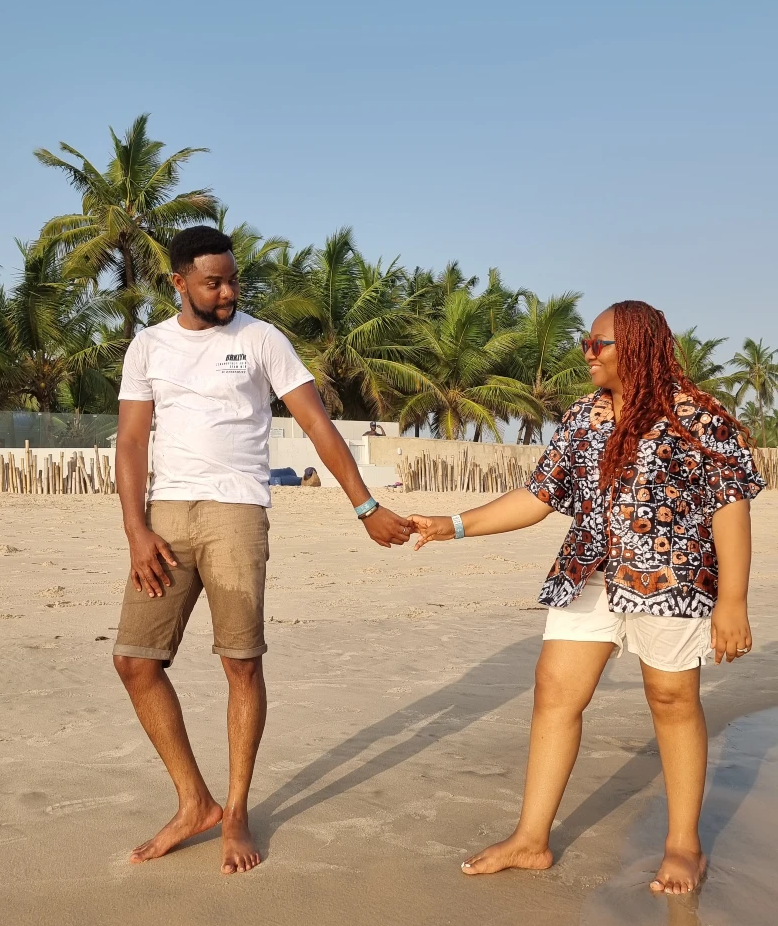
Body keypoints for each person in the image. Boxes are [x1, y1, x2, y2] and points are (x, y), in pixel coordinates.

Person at [408, 300, 764, 895]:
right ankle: (530, 839)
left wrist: (733, 601)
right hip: (588, 573)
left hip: (672, 579)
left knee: (672, 698)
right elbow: (540, 495)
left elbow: (730, 508)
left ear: (639, 347)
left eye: (598, 344)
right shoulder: (583, 417)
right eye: (585, 344)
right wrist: (452, 526)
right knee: (554, 691)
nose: (588, 354)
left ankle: (684, 845)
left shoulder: (701, 419)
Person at [112, 226, 412, 874]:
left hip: (237, 513)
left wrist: (365, 504)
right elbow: (132, 441)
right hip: (164, 517)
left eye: (232, 279)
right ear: (179, 282)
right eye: (213, 281)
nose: (227, 291)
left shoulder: (260, 338)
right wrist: (136, 530)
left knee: (240, 662)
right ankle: (195, 801)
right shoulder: (149, 346)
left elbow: (316, 423)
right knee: (135, 661)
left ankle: (238, 809)